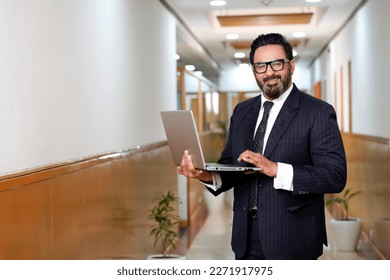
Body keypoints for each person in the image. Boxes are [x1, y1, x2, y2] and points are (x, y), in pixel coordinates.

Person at [177, 33, 347, 260]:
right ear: (254, 70)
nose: (269, 72)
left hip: (293, 238)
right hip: (246, 239)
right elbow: (231, 165)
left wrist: (277, 169)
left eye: (276, 63)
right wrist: (204, 174)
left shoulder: (317, 112)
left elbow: (334, 176)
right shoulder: (242, 111)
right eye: (260, 66)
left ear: (291, 65)